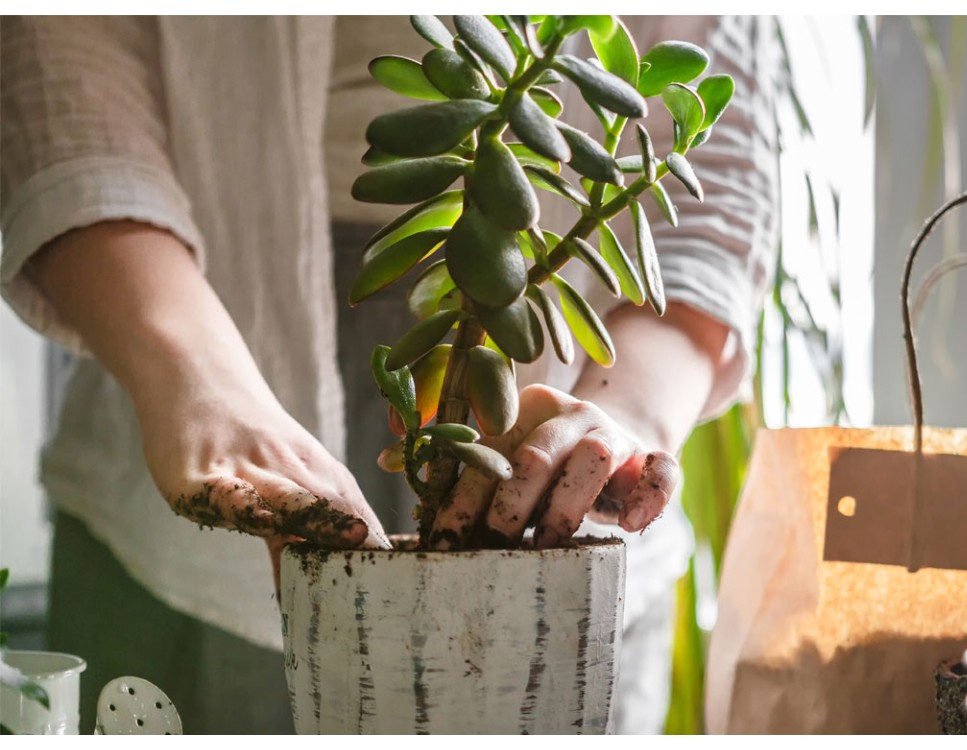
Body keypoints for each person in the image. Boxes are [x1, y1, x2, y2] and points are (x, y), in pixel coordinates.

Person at [0, 15, 780, 733]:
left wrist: (624, 422)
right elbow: (59, 85)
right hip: (178, 341)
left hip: (584, 406)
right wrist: (194, 380)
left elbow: (718, 182)